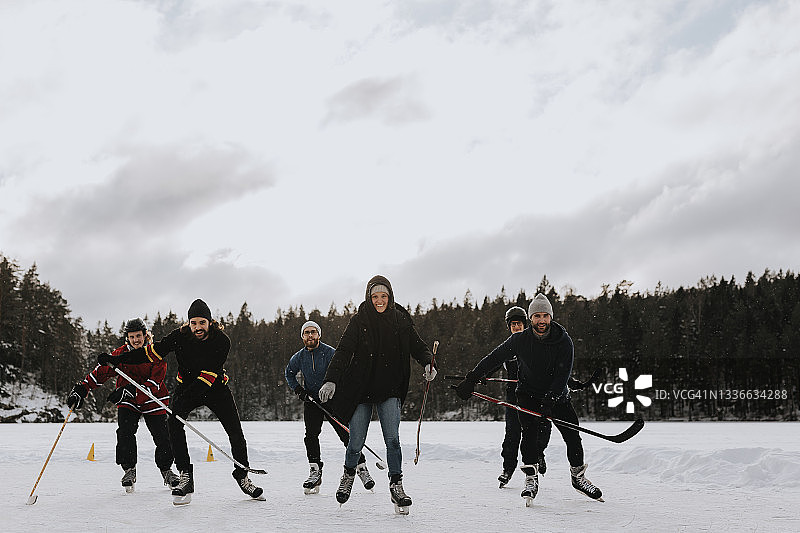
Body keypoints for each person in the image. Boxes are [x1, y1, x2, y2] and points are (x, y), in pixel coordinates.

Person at [97, 299, 263, 504]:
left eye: (202, 322)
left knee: (235, 431)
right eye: (193, 323)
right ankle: (185, 476)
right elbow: (151, 353)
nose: (197, 327)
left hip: (215, 387)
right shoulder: (180, 336)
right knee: (174, 425)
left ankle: (242, 475)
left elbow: (207, 377)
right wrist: (116, 360)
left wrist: (182, 403)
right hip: (186, 386)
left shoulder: (221, 341)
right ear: (188, 322)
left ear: (210, 322)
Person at [454, 293, 603, 503]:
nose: (541, 320)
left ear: (551, 317)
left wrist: (550, 400)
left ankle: (578, 477)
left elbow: (563, 375)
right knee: (530, 437)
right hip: (528, 395)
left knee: (572, 437)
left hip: (558, 397)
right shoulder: (520, 340)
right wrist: (471, 379)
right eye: (537, 316)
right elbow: (494, 358)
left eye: (545, 316)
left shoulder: (564, 341)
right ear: (530, 318)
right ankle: (531, 478)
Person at [318, 275, 436, 514]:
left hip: (389, 388)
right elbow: (343, 351)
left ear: (390, 297)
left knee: (392, 440)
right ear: (368, 297)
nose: (379, 300)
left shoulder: (400, 319)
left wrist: (428, 362)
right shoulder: (359, 320)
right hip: (360, 389)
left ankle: (396, 485)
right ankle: (348, 474)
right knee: (355, 441)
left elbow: (418, 346)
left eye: (384, 296)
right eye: (375, 296)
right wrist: (331, 379)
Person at [66, 318, 179, 492]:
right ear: (127, 338)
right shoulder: (120, 354)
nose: (135, 340)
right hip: (128, 400)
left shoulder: (154, 352)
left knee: (163, 435)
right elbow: (101, 373)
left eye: (138, 336)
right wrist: (83, 388)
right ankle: (129, 470)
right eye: (132, 337)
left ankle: (167, 470)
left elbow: (155, 383)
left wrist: (132, 391)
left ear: (145, 335)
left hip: (153, 398)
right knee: (125, 432)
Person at [285, 320, 374, 494]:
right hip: (312, 401)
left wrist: (337, 388)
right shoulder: (299, 357)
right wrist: (299, 390)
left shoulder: (329, 352)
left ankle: (361, 467)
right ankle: (315, 471)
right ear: (302, 337)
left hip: (333, 399)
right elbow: (289, 373)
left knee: (346, 433)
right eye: (306, 333)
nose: (310, 335)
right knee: (311, 436)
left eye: (313, 332)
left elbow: (343, 370)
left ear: (319, 334)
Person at [489, 306, 548, 488]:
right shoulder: (508, 347)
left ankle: (538, 456)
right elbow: (493, 363)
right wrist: (480, 376)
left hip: (534, 396)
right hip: (513, 398)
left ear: (525, 325)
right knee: (512, 435)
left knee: (540, 431)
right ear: (509, 326)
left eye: (519, 324)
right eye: (513, 324)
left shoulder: (535, 344)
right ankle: (508, 468)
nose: (516, 327)